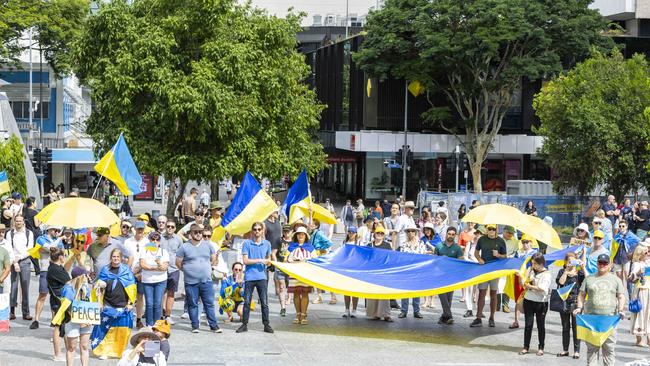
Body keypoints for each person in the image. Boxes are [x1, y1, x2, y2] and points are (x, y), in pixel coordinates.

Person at [573, 253, 626, 366]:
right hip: (592, 320)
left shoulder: (616, 280)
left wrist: (621, 310)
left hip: (609, 320)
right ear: (597, 263)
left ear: (609, 265)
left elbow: (621, 296)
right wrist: (579, 307)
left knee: (609, 350)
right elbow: (581, 295)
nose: (602, 265)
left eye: (605, 263)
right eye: (600, 262)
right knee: (592, 350)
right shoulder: (589, 278)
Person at [175, 223, 221, 333]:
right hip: (191, 282)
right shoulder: (184, 246)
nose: (198, 234)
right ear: (190, 233)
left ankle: (213, 325)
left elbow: (214, 259)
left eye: (200, 232)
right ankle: (195, 325)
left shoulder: (208, 245)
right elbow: (178, 263)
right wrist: (187, 270)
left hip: (206, 280)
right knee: (192, 304)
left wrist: (207, 267)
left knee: (209, 304)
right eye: (195, 232)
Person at [92, 249, 137, 360]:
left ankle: (119, 351)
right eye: (114, 257)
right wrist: (99, 301)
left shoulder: (126, 271)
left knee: (121, 330)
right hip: (108, 303)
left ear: (121, 258)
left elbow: (132, 288)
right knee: (105, 330)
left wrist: (131, 303)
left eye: (118, 256)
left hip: (123, 305)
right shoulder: (105, 270)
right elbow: (98, 288)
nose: (116, 259)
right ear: (111, 258)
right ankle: (104, 351)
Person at [236, 222, 273, 334]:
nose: (257, 231)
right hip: (250, 277)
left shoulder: (267, 244)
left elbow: (269, 260)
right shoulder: (247, 243)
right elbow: (245, 261)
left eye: (259, 229)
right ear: (252, 231)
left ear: (262, 231)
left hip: (262, 276)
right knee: (247, 302)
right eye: (255, 229)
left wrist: (269, 263)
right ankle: (244, 324)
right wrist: (260, 260)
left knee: (264, 302)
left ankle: (266, 324)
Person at [470, 224, 507, 328]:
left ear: (496, 229)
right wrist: (479, 259)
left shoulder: (500, 241)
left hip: (495, 270)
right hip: (484, 269)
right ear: (486, 229)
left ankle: (492, 317)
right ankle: (478, 317)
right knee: (481, 292)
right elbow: (476, 252)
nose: (491, 231)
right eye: (489, 229)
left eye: (493, 229)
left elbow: (505, 256)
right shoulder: (482, 239)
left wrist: (498, 255)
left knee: (493, 294)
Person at [32, 225, 64, 329]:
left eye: (58, 230)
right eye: (56, 229)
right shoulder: (41, 239)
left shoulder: (57, 240)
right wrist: (60, 239)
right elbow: (52, 248)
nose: (57, 231)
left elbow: (61, 253)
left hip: (56, 270)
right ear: (49, 229)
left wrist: (58, 242)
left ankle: (54, 320)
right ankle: (36, 319)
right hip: (45, 270)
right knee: (43, 294)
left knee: (55, 296)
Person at [518, 252, 551, 356]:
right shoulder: (530, 270)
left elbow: (542, 288)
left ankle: (541, 347)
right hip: (528, 300)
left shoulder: (547, 274)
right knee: (528, 325)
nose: (533, 266)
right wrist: (520, 277)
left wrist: (529, 286)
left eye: (535, 264)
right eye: (532, 263)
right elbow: (523, 283)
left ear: (541, 264)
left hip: (541, 303)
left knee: (540, 326)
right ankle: (525, 347)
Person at [60, 267, 93, 366]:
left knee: (84, 346)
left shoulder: (85, 287)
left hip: (86, 320)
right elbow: (67, 308)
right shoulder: (68, 288)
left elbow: (88, 303)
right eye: (85, 275)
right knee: (71, 347)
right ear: (79, 276)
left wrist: (90, 317)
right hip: (72, 321)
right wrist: (80, 320)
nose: (87, 276)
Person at [556, 252, 585, 359]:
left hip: (576, 302)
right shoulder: (562, 271)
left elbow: (588, 281)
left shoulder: (579, 273)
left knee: (576, 328)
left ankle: (577, 351)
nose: (571, 263)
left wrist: (583, 267)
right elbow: (561, 282)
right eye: (569, 261)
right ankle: (565, 350)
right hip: (564, 302)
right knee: (565, 327)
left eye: (573, 261)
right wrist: (566, 271)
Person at [45, 248, 72, 361]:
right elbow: (69, 281)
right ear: (60, 257)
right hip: (58, 301)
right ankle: (57, 354)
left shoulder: (57, 267)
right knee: (57, 327)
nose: (65, 257)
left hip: (62, 300)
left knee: (65, 326)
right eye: (64, 255)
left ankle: (68, 350)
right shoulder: (55, 269)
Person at [7, 214, 35, 320]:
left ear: (23, 221)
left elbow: (30, 249)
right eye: (17, 221)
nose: (18, 223)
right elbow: (9, 247)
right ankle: (12, 311)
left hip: (25, 261)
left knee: (25, 287)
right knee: (13, 287)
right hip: (13, 261)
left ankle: (26, 312)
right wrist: (15, 261)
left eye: (20, 221)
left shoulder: (29, 233)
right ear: (14, 221)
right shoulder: (10, 233)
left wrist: (19, 258)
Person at [140, 231, 169, 326]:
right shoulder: (144, 250)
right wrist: (155, 267)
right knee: (149, 303)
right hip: (147, 281)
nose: (155, 241)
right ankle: (149, 324)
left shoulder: (163, 252)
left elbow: (164, 268)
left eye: (157, 240)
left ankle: (156, 325)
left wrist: (159, 263)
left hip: (160, 281)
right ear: (149, 240)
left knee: (157, 303)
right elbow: (143, 265)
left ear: (160, 241)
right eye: (152, 239)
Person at [287, 225, 315, 325]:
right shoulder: (291, 247)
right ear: (296, 235)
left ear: (306, 236)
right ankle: (297, 314)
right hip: (294, 273)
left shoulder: (310, 248)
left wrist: (305, 261)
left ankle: (303, 315)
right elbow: (286, 259)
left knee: (304, 294)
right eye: (299, 234)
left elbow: (315, 260)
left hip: (305, 273)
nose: (300, 236)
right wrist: (292, 261)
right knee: (295, 294)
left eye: (302, 234)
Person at [435, 227, 463, 324]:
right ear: (446, 234)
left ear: (455, 236)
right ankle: (449, 315)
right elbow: (434, 260)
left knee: (448, 297)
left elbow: (461, 261)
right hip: (440, 275)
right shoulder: (439, 246)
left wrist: (450, 261)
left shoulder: (457, 248)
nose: (450, 236)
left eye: (453, 234)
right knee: (442, 295)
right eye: (449, 234)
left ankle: (444, 316)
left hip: (452, 275)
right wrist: (441, 259)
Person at [509, 234, 538, 329]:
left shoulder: (535, 253)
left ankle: (529, 322)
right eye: (523, 242)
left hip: (530, 280)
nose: (524, 244)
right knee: (518, 300)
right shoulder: (518, 252)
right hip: (518, 279)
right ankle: (516, 321)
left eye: (527, 242)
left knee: (530, 301)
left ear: (531, 243)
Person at [124, 221, 149, 328]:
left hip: (142, 272)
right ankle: (126, 318)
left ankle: (138, 319)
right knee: (127, 297)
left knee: (140, 297)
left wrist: (140, 271)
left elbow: (149, 258)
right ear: (134, 229)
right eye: (138, 229)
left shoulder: (148, 242)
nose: (140, 231)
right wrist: (130, 271)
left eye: (141, 229)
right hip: (129, 272)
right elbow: (124, 257)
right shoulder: (127, 241)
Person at [366, 225, 393, 322]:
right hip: (372, 273)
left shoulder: (387, 245)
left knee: (384, 295)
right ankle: (375, 314)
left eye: (382, 233)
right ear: (374, 234)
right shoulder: (369, 245)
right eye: (378, 233)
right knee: (373, 294)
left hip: (383, 272)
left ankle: (386, 314)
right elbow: (366, 259)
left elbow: (390, 258)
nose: (380, 235)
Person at [398, 224, 426, 319]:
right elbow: (401, 258)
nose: (410, 233)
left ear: (416, 232)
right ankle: (404, 311)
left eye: (412, 231)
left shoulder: (421, 243)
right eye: (408, 231)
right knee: (405, 291)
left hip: (417, 270)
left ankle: (416, 311)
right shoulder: (403, 244)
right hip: (406, 271)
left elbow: (423, 257)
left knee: (416, 292)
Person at [160, 219, 182, 324]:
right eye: (168, 226)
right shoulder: (159, 238)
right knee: (160, 293)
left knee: (171, 293)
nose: (170, 228)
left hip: (174, 269)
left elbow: (182, 253)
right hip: (161, 269)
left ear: (175, 228)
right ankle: (160, 315)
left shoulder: (178, 239)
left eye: (172, 227)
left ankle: (168, 315)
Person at [310, 220, 336, 305]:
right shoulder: (312, 233)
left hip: (320, 257)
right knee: (317, 278)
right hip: (314, 256)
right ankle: (319, 297)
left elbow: (329, 243)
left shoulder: (319, 233)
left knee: (326, 277)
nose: (309, 225)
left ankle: (333, 296)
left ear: (316, 225)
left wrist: (321, 248)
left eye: (311, 224)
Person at [629, 244, 650, 347]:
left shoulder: (648, 262)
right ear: (640, 254)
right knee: (640, 313)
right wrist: (637, 273)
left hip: (648, 290)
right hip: (641, 291)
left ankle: (649, 338)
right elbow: (631, 278)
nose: (648, 254)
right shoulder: (637, 264)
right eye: (646, 252)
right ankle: (639, 339)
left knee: (648, 314)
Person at [613, 221, 640, 297]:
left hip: (626, 259)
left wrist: (632, 250)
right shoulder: (617, 235)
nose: (621, 228)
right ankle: (621, 296)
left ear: (626, 226)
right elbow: (613, 247)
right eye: (620, 226)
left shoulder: (630, 235)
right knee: (619, 279)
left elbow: (638, 241)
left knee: (628, 278)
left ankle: (631, 295)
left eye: (623, 226)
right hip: (617, 259)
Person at [462, 225, 484, 318]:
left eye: (480, 233)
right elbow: (465, 256)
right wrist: (471, 263)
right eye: (477, 233)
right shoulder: (470, 243)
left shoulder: (484, 246)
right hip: (471, 268)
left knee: (480, 291)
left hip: (480, 269)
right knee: (469, 290)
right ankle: (469, 309)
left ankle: (479, 310)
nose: (477, 235)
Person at [271, 225, 291, 317]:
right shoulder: (279, 240)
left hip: (291, 267)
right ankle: (283, 307)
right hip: (281, 266)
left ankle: (289, 299)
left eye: (288, 231)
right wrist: (276, 264)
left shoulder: (294, 241)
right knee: (282, 287)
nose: (286, 233)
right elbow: (274, 253)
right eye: (285, 231)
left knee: (290, 286)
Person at [342, 226, 360, 317]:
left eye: (352, 232)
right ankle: (347, 309)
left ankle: (354, 309)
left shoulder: (359, 243)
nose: (351, 234)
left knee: (355, 291)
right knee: (346, 291)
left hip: (356, 269)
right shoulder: (345, 242)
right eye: (349, 232)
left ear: (356, 233)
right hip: (346, 268)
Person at [0, 224, 11, 294]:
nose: (1, 234)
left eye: (2, 232)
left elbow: (8, 268)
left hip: (2, 279)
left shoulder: (5, 248)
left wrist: (1, 279)